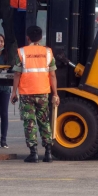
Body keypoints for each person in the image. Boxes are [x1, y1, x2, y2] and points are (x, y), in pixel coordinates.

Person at [11, 25, 59, 163]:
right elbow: (53, 75)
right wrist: (55, 94)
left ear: (28, 37)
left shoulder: (21, 52)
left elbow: (17, 74)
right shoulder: (48, 52)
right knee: (44, 121)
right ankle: (48, 153)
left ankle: (33, 153)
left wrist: (14, 92)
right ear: (41, 37)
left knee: (29, 122)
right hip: (43, 92)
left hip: (27, 93)